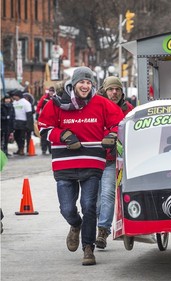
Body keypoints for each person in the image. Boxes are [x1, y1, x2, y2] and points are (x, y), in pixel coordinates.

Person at [37, 66, 124, 266]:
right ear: (73, 83)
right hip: (64, 163)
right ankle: (76, 225)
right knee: (67, 208)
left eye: (88, 82)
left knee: (89, 206)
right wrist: (64, 135)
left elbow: (119, 122)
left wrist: (111, 135)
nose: (85, 86)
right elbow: (43, 128)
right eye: (81, 82)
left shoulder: (101, 103)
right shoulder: (56, 103)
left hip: (92, 162)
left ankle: (88, 248)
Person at [95, 76, 134, 249]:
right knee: (93, 201)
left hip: (113, 161)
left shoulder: (129, 109)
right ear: (105, 90)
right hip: (94, 159)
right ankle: (96, 225)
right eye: (111, 89)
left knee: (108, 195)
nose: (114, 92)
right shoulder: (94, 106)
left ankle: (102, 231)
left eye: (117, 89)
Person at [10, 90, 33, 156]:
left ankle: (22, 149)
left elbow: (29, 115)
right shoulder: (14, 102)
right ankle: (19, 148)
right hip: (15, 121)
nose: (14, 97)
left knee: (21, 137)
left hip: (23, 121)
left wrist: (28, 125)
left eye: (15, 96)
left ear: (18, 96)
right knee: (16, 136)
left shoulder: (26, 103)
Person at [36, 86, 55, 155]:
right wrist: (37, 116)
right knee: (44, 134)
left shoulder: (56, 98)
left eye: (52, 91)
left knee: (51, 134)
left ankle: (51, 149)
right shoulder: (44, 98)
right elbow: (38, 107)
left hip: (53, 119)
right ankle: (44, 149)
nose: (51, 92)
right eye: (50, 91)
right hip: (44, 119)